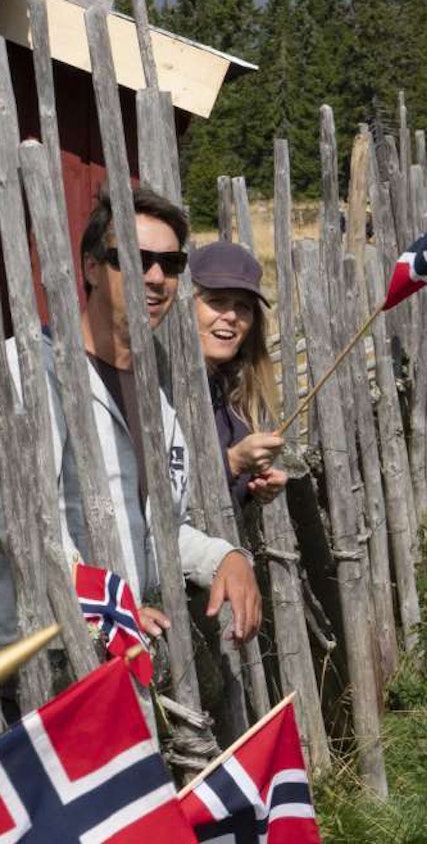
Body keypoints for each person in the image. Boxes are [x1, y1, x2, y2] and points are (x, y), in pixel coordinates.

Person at [0, 188, 263, 645]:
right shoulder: (26, 373)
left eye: (171, 264)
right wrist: (108, 605)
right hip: (41, 656)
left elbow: (158, 531)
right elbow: (22, 527)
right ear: (90, 268)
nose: (156, 277)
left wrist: (224, 557)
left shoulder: (157, 392)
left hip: (121, 653)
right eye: (135, 260)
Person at [190, 242, 287, 511]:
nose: (231, 316)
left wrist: (255, 483)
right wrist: (232, 462)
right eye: (217, 301)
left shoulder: (239, 390)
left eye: (243, 306)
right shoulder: (159, 388)